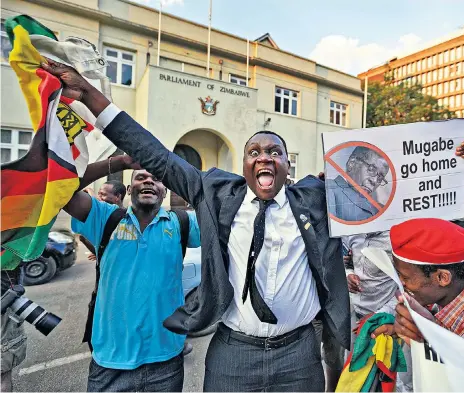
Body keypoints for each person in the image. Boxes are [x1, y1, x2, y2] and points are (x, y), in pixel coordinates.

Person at [42, 59, 350, 392]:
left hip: (299, 355)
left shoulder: (316, 199)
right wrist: (88, 94)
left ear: (288, 165)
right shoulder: (216, 196)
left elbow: (377, 199)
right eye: (254, 151)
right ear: (244, 166)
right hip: (234, 353)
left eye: (275, 151)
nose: (264, 156)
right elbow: (154, 152)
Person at [62, 155, 200, 391]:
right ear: (128, 189)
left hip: (166, 360)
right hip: (110, 363)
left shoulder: (182, 222)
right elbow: (62, 188)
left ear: (165, 191)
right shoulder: (104, 217)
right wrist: (121, 163)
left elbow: (222, 215)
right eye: (141, 177)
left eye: (157, 179)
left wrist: (183, 175)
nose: (149, 182)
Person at [391, 218, 464, 344]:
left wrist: (429, 340)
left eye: (406, 278)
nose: (401, 283)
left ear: (442, 278)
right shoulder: (444, 292)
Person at [326, 146, 389, 222]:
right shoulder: (330, 188)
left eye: (380, 178)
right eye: (371, 169)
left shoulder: (382, 209)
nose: (375, 181)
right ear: (351, 164)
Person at [79, 180, 126, 261]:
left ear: (118, 197)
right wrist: (99, 253)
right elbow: (83, 237)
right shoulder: (103, 217)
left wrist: (90, 191)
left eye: (103, 194)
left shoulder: (124, 218)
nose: (99, 197)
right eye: (98, 194)